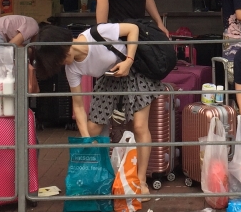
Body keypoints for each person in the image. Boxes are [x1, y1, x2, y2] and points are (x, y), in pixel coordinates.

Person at [30, 23, 158, 199]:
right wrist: (86, 140)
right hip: (110, 78)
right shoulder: (71, 68)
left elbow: (133, 29)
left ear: (63, 50)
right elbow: (78, 105)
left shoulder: (97, 34)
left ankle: (140, 181)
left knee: (139, 126)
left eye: (57, 61)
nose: (59, 66)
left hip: (134, 70)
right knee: (91, 129)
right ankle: (102, 176)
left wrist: (129, 61)